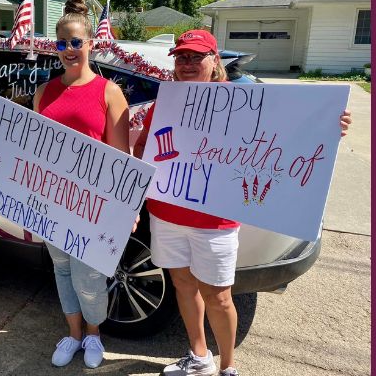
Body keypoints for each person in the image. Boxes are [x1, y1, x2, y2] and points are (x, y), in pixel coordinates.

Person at [137, 29, 352, 376]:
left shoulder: (239, 103)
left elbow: (288, 133)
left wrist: (329, 126)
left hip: (215, 222)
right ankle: (199, 356)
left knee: (219, 297)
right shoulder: (166, 104)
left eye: (196, 57)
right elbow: (145, 149)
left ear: (213, 62)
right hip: (167, 214)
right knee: (183, 284)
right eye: (181, 57)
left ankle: (227, 367)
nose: (187, 63)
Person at [33, 0, 132, 369]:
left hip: (93, 208)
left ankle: (93, 335)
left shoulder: (109, 92)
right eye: (62, 43)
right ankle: (73, 334)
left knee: (89, 277)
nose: (69, 49)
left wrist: (125, 209)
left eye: (76, 42)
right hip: (52, 204)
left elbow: (122, 159)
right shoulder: (45, 92)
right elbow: (35, 152)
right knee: (61, 270)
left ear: (90, 44)